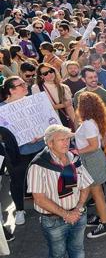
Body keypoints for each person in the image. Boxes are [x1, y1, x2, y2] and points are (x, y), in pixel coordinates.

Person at [27, 125, 93, 258]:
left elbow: (86, 184)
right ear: (50, 143)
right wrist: (66, 214)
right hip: (53, 221)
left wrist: (78, 208)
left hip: (78, 215)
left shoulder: (73, 158)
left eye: (67, 139)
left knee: (78, 251)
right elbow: (39, 198)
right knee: (58, 254)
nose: (66, 143)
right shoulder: (38, 165)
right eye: (61, 140)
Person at [0, 76, 45, 226]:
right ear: (11, 90)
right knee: (18, 181)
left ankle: (46, 205)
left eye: (25, 84)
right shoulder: (2, 109)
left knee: (43, 177)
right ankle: (20, 210)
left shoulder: (32, 101)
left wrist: (41, 134)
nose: (25, 86)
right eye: (21, 85)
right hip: (17, 153)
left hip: (39, 147)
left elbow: (44, 121)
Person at [74, 92, 106, 238]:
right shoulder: (95, 120)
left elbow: (94, 145)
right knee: (95, 192)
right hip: (94, 159)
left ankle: (105, 223)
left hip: (91, 159)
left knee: (97, 193)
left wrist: (76, 151)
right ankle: (100, 218)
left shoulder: (89, 123)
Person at [33, 63, 76, 130]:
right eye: (45, 73)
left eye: (51, 71)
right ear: (41, 76)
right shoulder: (37, 88)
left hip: (64, 121)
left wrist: (75, 123)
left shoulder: (64, 87)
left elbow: (69, 107)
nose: (50, 74)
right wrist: (63, 105)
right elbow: (42, 107)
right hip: (49, 123)